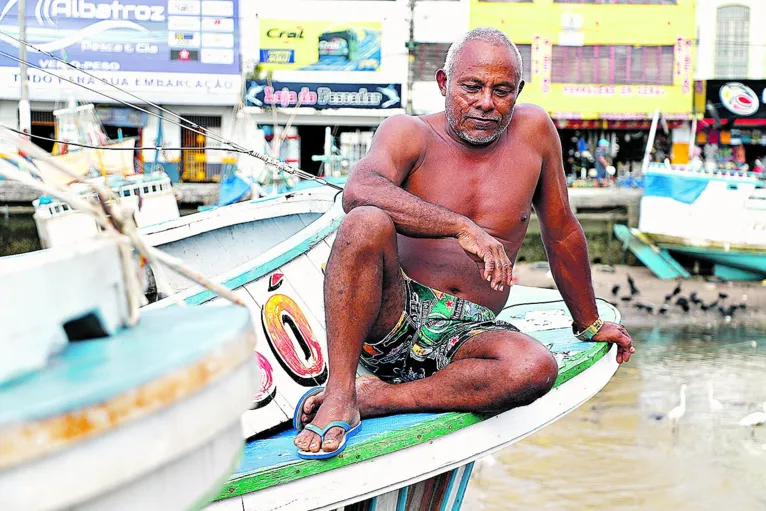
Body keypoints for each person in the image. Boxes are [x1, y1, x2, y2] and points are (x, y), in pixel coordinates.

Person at [293, 28, 635, 459]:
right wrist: (461, 227)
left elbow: (562, 230)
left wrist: (587, 322)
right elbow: (359, 189)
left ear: (518, 92)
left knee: (534, 367)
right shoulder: (407, 133)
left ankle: (378, 398)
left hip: (468, 333)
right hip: (391, 319)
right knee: (364, 221)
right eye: (471, 87)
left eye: (502, 90)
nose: (486, 103)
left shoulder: (535, 132)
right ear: (443, 84)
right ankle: (341, 391)